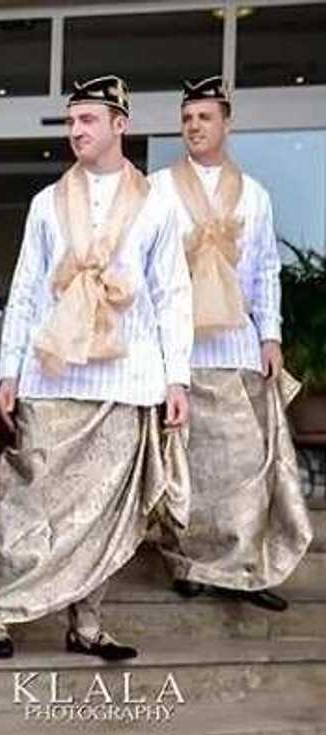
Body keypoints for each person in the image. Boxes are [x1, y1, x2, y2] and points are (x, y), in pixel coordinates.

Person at [0, 75, 192, 661]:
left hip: (128, 379)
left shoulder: (157, 203)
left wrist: (177, 379)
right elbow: (24, 291)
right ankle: (1, 612)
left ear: (120, 124)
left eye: (88, 120)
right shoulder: (46, 203)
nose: (76, 131)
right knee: (29, 497)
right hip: (52, 373)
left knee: (104, 510)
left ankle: (88, 623)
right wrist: (8, 372)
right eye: (71, 121)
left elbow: (173, 293)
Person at [150, 76, 312, 612]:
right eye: (187, 118)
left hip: (239, 344)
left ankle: (243, 568)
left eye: (204, 117)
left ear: (226, 122)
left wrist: (271, 336)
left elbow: (266, 270)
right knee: (189, 461)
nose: (194, 126)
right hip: (182, 348)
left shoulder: (256, 194)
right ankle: (188, 563)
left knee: (244, 462)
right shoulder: (159, 189)